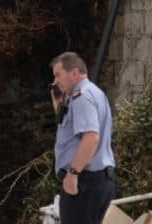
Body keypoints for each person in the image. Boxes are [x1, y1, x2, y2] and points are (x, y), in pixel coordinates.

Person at [49, 52, 116, 224]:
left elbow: (91, 137)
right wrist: (58, 107)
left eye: (58, 75)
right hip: (98, 181)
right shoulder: (94, 92)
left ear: (74, 73)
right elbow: (72, 134)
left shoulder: (81, 96)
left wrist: (73, 174)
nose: (55, 81)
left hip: (84, 183)